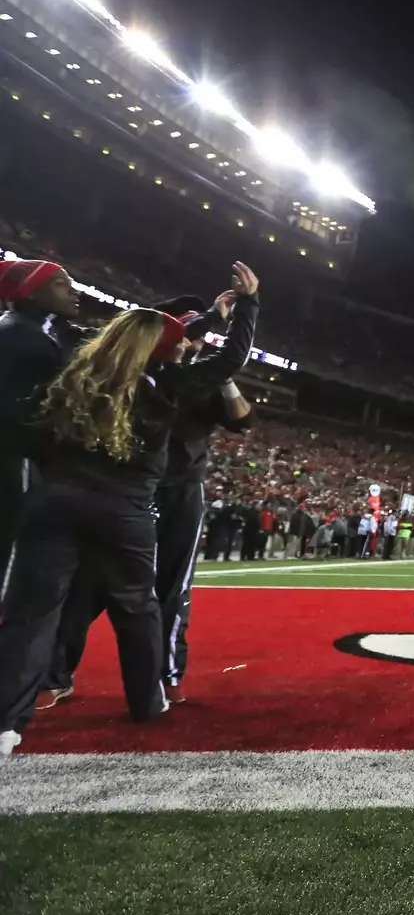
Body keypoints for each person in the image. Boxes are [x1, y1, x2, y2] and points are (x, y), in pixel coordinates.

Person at [0, 262, 258, 756]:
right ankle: (147, 700)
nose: (184, 345)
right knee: (137, 608)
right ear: (162, 349)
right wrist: (247, 306)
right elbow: (229, 362)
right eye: (178, 341)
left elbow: (139, 338)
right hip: (125, 509)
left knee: (32, 613)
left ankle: (7, 722)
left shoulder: (76, 366)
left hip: (55, 500)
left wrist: (203, 319)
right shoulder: (167, 387)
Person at [42, 297, 252, 708]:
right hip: (134, 488)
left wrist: (224, 376)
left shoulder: (183, 376)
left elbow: (242, 421)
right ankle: (79, 678)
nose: (189, 340)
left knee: (167, 587)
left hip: (172, 489)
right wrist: (240, 317)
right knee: (98, 585)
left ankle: (165, 675)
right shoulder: (165, 376)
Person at [0, 259, 82, 610]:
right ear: (30, 291)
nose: (74, 290)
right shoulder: (27, 340)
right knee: (10, 560)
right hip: (11, 458)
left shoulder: (25, 331)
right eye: (62, 283)